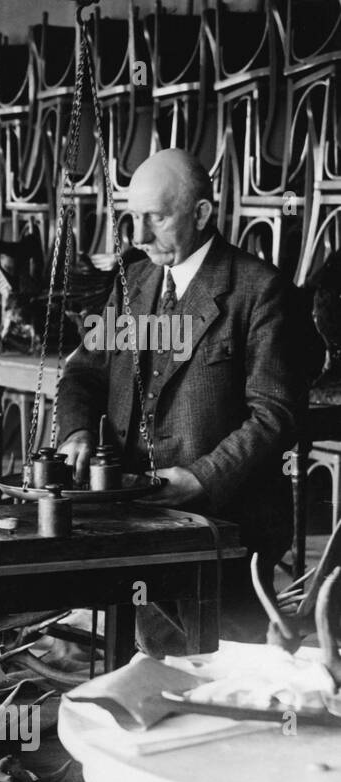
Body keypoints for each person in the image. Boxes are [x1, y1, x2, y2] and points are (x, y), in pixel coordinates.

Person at [57, 148, 303, 644]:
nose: (140, 235)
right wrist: (78, 431)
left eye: (157, 218)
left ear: (203, 214)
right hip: (131, 518)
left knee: (227, 670)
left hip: (226, 526)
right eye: (133, 218)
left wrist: (200, 477)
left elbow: (275, 415)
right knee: (149, 665)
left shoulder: (260, 290)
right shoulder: (134, 282)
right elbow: (83, 374)